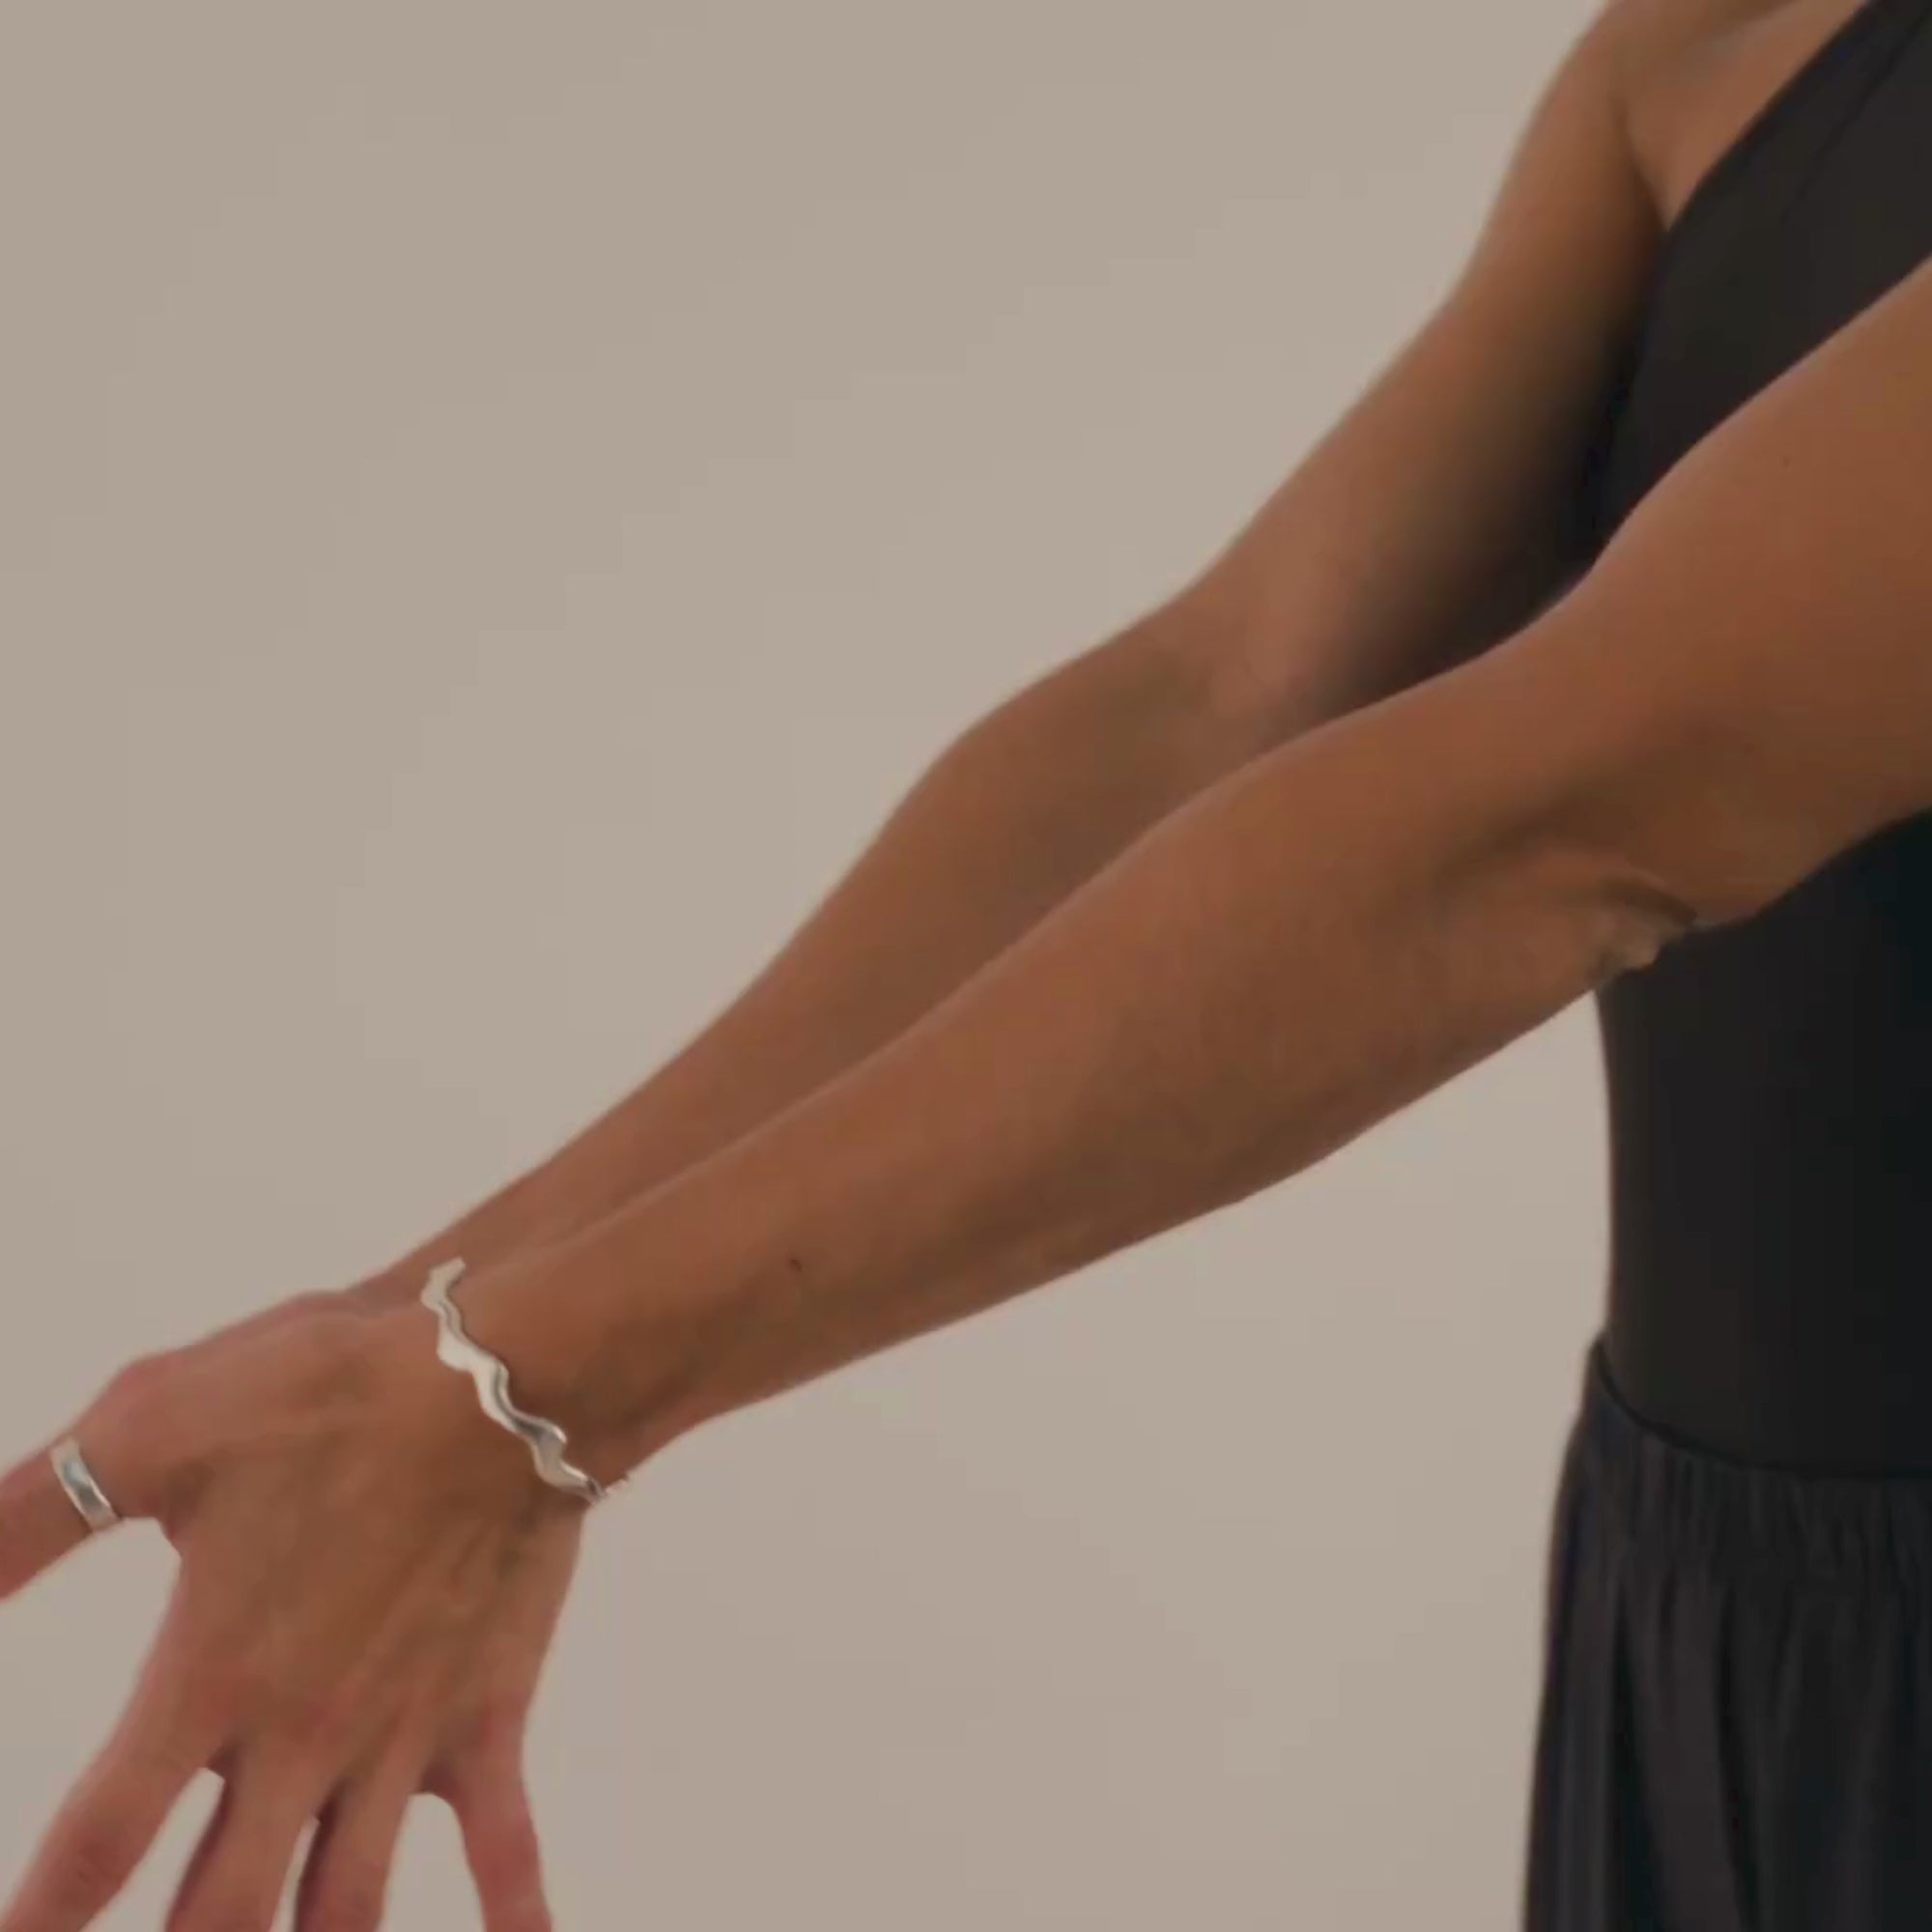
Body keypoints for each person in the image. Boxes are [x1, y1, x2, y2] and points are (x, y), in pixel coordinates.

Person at [5, 0, 1931, 1923]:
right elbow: (1213, 706)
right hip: (1704, 1624)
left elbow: (1564, 821)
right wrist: (416, 1346)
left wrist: (534, 1387)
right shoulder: (1712, 46)